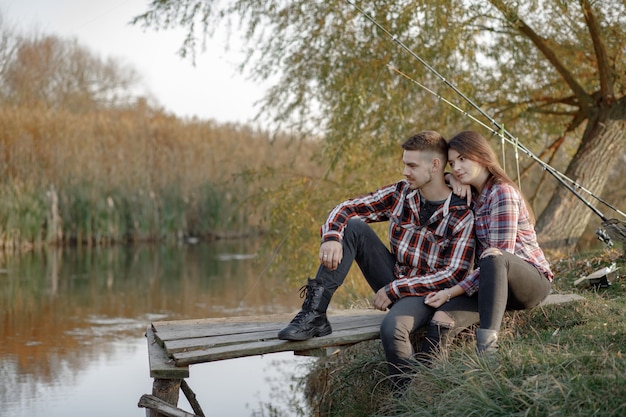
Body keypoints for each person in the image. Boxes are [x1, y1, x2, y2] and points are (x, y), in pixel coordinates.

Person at [277, 130, 479, 388]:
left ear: (435, 165)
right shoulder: (401, 193)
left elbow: (454, 274)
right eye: (404, 163)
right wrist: (331, 236)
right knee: (352, 226)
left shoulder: (462, 212)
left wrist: (396, 289)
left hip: (429, 293)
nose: (405, 171)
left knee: (392, 329)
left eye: (412, 165)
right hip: (395, 276)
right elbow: (347, 208)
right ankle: (314, 314)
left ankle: (407, 397)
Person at [446, 130, 554, 353]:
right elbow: (432, 178)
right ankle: (428, 376)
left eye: (463, 159)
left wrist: (452, 291)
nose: (456, 167)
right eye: (452, 163)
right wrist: (449, 178)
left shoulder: (502, 192)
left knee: (494, 257)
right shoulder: (473, 197)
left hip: (528, 282)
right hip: (492, 286)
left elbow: (499, 256)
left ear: (481, 155)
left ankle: (487, 350)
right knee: (441, 317)